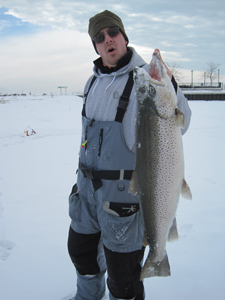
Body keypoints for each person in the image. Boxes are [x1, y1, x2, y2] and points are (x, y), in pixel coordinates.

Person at [67, 10, 191, 300]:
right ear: (96, 46)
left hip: (122, 198)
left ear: (124, 37)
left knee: (123, 275)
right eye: (100, 37)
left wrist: (169, 83)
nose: (107, 40)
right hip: (86, 192)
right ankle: (86, 297)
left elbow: (181, 120)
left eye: (112, 33)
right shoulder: (92, 82)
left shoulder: (144, 79)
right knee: (81, 253)